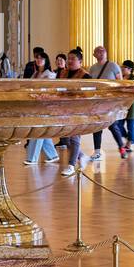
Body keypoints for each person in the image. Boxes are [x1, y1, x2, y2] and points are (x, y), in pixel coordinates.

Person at [59, 48, 91, 176]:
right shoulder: (63, 73)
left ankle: (71, 165)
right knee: (64, 138)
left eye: (73, 59)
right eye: (69, 58)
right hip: (64, 110)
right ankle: (82, 156)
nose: (70, 61)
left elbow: (90, 93)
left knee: (74, 137)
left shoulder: (86, 76)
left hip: (79, 110)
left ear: (80, 61)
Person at [88, 45, 123, 159]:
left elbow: (120, 82)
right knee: (97, 127)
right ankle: (97, 151)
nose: (101, 53)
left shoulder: (113, 66)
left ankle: (121, 147)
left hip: (110, 102)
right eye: (98, 51)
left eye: (103, 51)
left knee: (113, 125)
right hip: (97, 101)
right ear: (94, 55)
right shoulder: (93, 68)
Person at [24, 57, 60, 165]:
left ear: (46, 61)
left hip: (45, 105)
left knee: (38, 130)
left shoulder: (49, 74)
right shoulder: (35, 73)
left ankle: (32, 158)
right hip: (35, 104)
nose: (38, 60)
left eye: (41, 58)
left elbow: (49, 89)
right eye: (37, 58)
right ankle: (52, 155)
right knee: (42, 131)